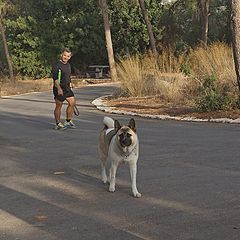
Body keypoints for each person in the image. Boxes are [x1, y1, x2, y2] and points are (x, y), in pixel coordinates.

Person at [52, 48, 76, 130]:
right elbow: (55, 78)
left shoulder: (68, 65)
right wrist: (59, 89)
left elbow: (68, 76)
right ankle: (58, 123)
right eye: (65, 55)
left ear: (70, 57)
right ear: (62, 55)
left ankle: (68, 121)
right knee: (59, 106)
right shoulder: (56, 65)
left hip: (67, 88)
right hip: (59, 88)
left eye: (68, 56)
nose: (66, 57)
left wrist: (70, 83)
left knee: (72, 103)